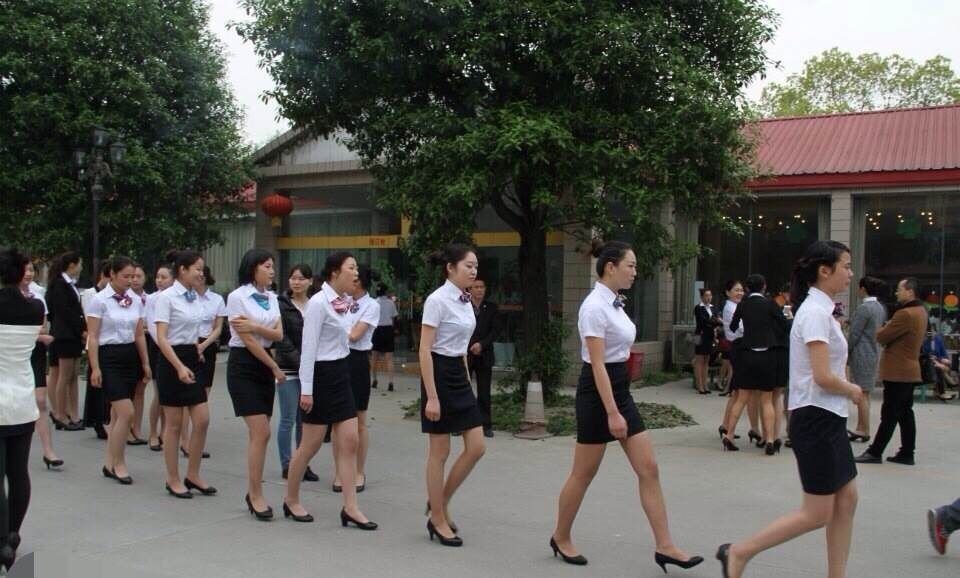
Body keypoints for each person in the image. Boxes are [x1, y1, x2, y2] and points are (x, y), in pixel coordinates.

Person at [551, 240, 702, 571]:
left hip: (619, 389)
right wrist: (612, 413)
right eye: (630, 265)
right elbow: (597, 364)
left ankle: (665, 546)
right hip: (598, 395)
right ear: (611, 267)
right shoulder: (594, 307)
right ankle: (560, 536)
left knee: (649, 468)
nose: (635, 272)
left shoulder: (614, 302)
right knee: (583, 474)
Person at [717, 240, 862, 578]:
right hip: (816, 418)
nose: (850, 273)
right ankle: (738, 552)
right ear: (824, 270)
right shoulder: (814, 313)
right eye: (846, 266)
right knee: (817, 512)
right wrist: (852, 389)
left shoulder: (822, 310)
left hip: (828, 417)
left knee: (847, 500)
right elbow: (823, 376)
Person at [284, 252, 377, 530]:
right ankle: (291, 499)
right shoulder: (318, 303)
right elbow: (308, 349)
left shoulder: (344, 301)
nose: (356, 273)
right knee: (309, 446)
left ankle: (351, 508)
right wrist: (306, 390)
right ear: (335, 272)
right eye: (351, 268)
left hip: (341, 373)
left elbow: (347, 339)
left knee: (350, 440)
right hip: (321, 376)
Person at [419, 244, 487, 547]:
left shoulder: (465, 300)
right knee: (440, 451)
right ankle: (437, 518)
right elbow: (424, 350)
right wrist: (432, 397)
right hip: (438, 373)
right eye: (468, 266)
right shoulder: (437, 300)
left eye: (476, 266)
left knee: (477, 447)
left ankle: (440, 501)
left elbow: (461, 346)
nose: (473, 271)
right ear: (450, 268)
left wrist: (467, 379)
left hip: (459, 373)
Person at [226, 249, 285, 519]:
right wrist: (273, 366)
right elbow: (246, 339)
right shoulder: (237, 297)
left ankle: (254, 491)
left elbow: (278, 334)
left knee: (261, 434)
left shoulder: (272, 297)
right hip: (244, 365)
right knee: (261, 431)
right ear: (253, 268)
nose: (272, 271)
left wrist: (256, 327)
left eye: (272, 266)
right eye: (267, 266)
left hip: (265, 362)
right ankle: (255, 493)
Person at [154, 251, 216, 498]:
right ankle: (172, 478)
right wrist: (179, 366)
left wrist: (196, 350)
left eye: (202, 269)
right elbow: (161, 337)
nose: (201, 273)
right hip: (172, 360)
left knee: (202, 419)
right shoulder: (166, 298)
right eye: (197, 269)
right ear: (182, 270)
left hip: (192, 356)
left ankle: (193, 474)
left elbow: (194, 329)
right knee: (174, 424)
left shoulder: (195, 297)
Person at [86, 256, 151, 485]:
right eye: (125, 276)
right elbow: (93, 336)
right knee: (126, 412)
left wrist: (145, 363)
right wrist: (95, 367)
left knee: (117, 416)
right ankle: (119, 462)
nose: (130, 280)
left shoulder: (136, 300)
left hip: (130, 356)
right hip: (108, 357)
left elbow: (139, 334)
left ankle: (109, 462)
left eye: (133, 276)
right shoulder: (99, 300)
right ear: (112, 274)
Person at [0, 247, 45, 572]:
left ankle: (2, 541)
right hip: (22, 398)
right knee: (18, 473)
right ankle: (13, 534)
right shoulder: (35, 307)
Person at [855, 277, 927, 466]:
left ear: (910, 292)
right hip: (909, 369)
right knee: (905, 412)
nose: (896, 293)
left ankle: (875, 451)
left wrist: (884, 327)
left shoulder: (905, 314)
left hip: (898, 370)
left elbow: (881, 336)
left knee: (890, 413)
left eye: (899, 289)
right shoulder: (921, 311)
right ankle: (907, 452)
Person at [333, 264, 380, 492]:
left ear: (360, 281)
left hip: (357, 361)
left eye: (353, 276)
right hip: (337, 359)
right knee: (337, 420)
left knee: (359, 420)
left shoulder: (372, 305)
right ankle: (339, 472)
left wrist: (334, 326)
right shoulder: (340, 301)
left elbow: (354, 335)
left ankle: (359, 471)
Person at [274, 264, 319, 482]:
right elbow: (281, 338)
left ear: (310, 281)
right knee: (288, 418)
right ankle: (286, 464)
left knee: (305, 420)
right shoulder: (281, 304)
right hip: (288, 368)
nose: (296, 282)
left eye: (301, 278)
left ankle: (302, 463)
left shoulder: (316, 304)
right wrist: (301, 362)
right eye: (293, 278)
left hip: (311, 369)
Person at [178, 265, 224, 459]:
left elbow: (218, 327)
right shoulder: (187, 298)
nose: (199, 277)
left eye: (202, 274)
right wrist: (195, 347)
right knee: (188, 396)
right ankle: (185, 441)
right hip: (189, 344)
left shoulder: (217, 299)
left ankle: (197, 441)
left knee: (203, 394)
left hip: (208, 344)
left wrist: (204, 346)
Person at [19, 261, 62, 469]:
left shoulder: (38, 296)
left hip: (34, 352)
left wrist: (37, 335)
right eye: (24, 270)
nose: (28, 274)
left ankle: (48, 451)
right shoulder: (6, 297)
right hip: (13, 353)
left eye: (31, 270)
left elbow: (44, 327)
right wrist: (35, 334)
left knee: (41, 401)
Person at [45, 251, 85, 431]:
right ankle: (60, 414)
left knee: (73, 375)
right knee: (65, 375)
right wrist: (81, 329)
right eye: (80, 264)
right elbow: (64, 312)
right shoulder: (60, 284)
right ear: (72, 265)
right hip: (65, 335)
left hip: (71, 335)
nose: (81, 268)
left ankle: (73, 414)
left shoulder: (69, 284)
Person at [846, 276, 887, 442]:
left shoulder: (864, 308)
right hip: (873, 351)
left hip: (861, 353)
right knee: (866, 393)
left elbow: (854, 333)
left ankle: (863, 429)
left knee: (861, 392)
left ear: (863, 289)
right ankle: (863, 426)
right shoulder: (879, 308)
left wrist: (846, 351)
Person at [82, 260, 112, 440]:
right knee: (97, 384)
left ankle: (107, 418)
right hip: (96, 342)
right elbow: (90, 319)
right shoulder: (91, 294)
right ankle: (97, 420)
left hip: (109, 343)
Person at [145, 264, 173, 451]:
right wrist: (165, 345)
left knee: (171, 394)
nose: (159, 280)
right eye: (158, 277)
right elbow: (152, 325)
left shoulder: (178, 297)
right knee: (159, 393)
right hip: (159, 347)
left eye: (164, 277)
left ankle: (166, 430)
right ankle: (153, 432)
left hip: (176, 348)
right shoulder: (152, 299)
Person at [467, 277, 498, 437]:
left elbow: (495, 331)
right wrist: (472, 345)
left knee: (484, 392)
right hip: (467, 354)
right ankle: (462, 423)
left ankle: (486, 425)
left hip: (484, 354)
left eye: (482, 287)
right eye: (476, 287)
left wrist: (481, 345)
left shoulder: (491, 308)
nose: (479, 290)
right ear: (470, 289)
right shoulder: (464, 306)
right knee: (464, 390)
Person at [127, 265, 149, 445]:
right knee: (128, 390)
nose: (135, 279)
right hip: (129, 345)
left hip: (146, 343)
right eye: (132, 276)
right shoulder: (125, 298)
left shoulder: (150, 299)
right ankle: (126, 428)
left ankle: (137, 428)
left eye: (138, 276)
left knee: (141, 389)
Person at [371, 285, 398, 391]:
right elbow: (394, 317)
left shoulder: (374, 303)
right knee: (389, 358)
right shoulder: (391, 303)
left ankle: (374, 380)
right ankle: (391, 382)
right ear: (385, 292)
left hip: (377, 330)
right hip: (388, 330)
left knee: (374, 357)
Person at [693, 288, 719, 395]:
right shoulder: (698, 308)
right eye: (706, 295)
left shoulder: (713, 307)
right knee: (699, 360)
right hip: (699, 335)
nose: (709, 298)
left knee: (707, 360)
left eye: (710, 295)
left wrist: (716, 322)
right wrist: (716, 322)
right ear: (702, 297)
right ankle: (699, 386)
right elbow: (704, 321)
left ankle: (705, 385)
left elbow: (716, 319)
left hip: (710, 335)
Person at [921, 325, 954, 400]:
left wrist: (944, 359)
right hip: (926, 363)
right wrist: (938, 359)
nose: (931, 333)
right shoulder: (923, 340)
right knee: (939, 369)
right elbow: (925, 354)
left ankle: (938, 392)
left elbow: (944, 353)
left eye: (933, 331)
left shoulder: (938, 340)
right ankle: (945, 389)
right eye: (929, 332)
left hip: (937, 362)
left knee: (944, 366)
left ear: (936, 332)